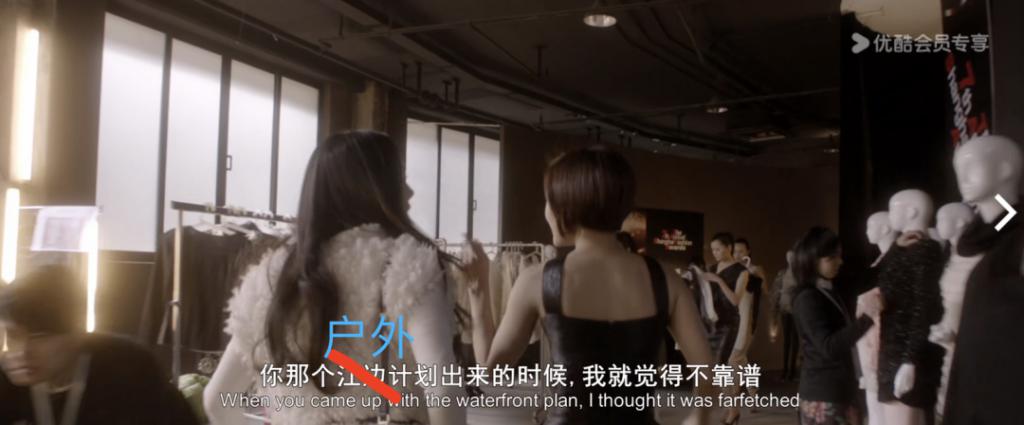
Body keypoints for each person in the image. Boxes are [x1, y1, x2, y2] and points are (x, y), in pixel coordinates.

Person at [203, 131, 466, 425]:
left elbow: (216, 401)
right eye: (399, 179)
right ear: (374, 189)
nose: (409, 192)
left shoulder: (273, 277)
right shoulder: (407, 264)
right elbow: (442, 389)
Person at [462, 146, 714, 425]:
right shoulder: (667, 280)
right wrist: (698, 419)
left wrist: (478, 289)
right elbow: (708, 374)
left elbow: (490, 369)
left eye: (548, 201)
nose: (546, 212)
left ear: (566, 207)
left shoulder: (537, 280)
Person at [0, 265, 199, 425]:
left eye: (40, 337)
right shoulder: (6, 378)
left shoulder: (129, 367)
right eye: (14, 336)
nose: (22, 351)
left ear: (77, 333)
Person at [790, 227, 879, 425]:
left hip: (839, 390)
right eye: (832, 258)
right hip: (824, 395)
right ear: (812, 261)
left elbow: (868, 277)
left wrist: (897, 249)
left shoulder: (829, 289)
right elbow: (828, 346)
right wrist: (867, 318)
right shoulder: (807, 298)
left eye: (839, 255)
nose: (840, 261)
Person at [701, 232, 748, 425]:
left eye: (718, 249)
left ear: (729, 247)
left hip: (729, 323)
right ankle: (731, 408)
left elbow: (735, 300)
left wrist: (719, 281)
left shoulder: (741, 271)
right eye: (712, 250)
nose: (715, 253)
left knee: (720, 366)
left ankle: (733, 410)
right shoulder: (712, 268)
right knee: (714, 368)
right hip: (712, 322)